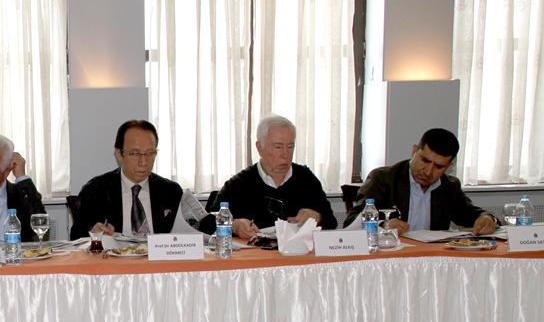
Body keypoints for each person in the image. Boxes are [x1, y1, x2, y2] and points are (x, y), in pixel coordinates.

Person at [201, 115, 337, 237]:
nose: (285, 155)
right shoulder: (240, 183)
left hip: (297, 254)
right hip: (255, 255)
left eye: (290, 147)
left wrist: (317, 217)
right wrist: (234, 225)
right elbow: (206, 223)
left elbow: (331, 222)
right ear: (259, 147)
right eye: (278, 147)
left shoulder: (305, 179)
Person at [343, 128, 497, 235]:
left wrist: (487, 219)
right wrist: (383, 224)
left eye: (439, 167)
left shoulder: (449, 186)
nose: (428, 171)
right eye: (425, 160)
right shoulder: (384, 178)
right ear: (414, 151)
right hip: (390, 256)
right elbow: (351, 221)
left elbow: (472, 214)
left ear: (449, 166)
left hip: (432, 260)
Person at [69, 120, 183, 239]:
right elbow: (76, 234)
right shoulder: (96, 190)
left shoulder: (171, 191)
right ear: (119, 153)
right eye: (135, 154)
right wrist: (93, 231)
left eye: (149, 154)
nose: (143, 162)